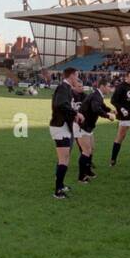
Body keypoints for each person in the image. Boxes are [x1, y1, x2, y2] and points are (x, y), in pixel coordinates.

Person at [48, 67, 85, 199]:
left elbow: (64, 106)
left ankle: (61, 184)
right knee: (63, 159)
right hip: (60, 127)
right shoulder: (63, 88)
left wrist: (73, 115)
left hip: (64, 126)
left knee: (65, 158)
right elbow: (60, 105)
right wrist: (76, 113)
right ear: (71, 76)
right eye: (77, 76)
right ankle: (57, 191)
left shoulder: (67, 88)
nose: (78, 79)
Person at [74, 80, 115, 183]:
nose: (110, 89)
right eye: (108, 86)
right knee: (86, 151)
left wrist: (110, 110)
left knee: (91, 148)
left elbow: (101, 105)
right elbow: (96, 109)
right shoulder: (96, 96)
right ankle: (81, 177)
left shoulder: (98, 95)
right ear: (102, 86)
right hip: (82, 126)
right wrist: (108, 116)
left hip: (88, 126)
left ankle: (87, 171)